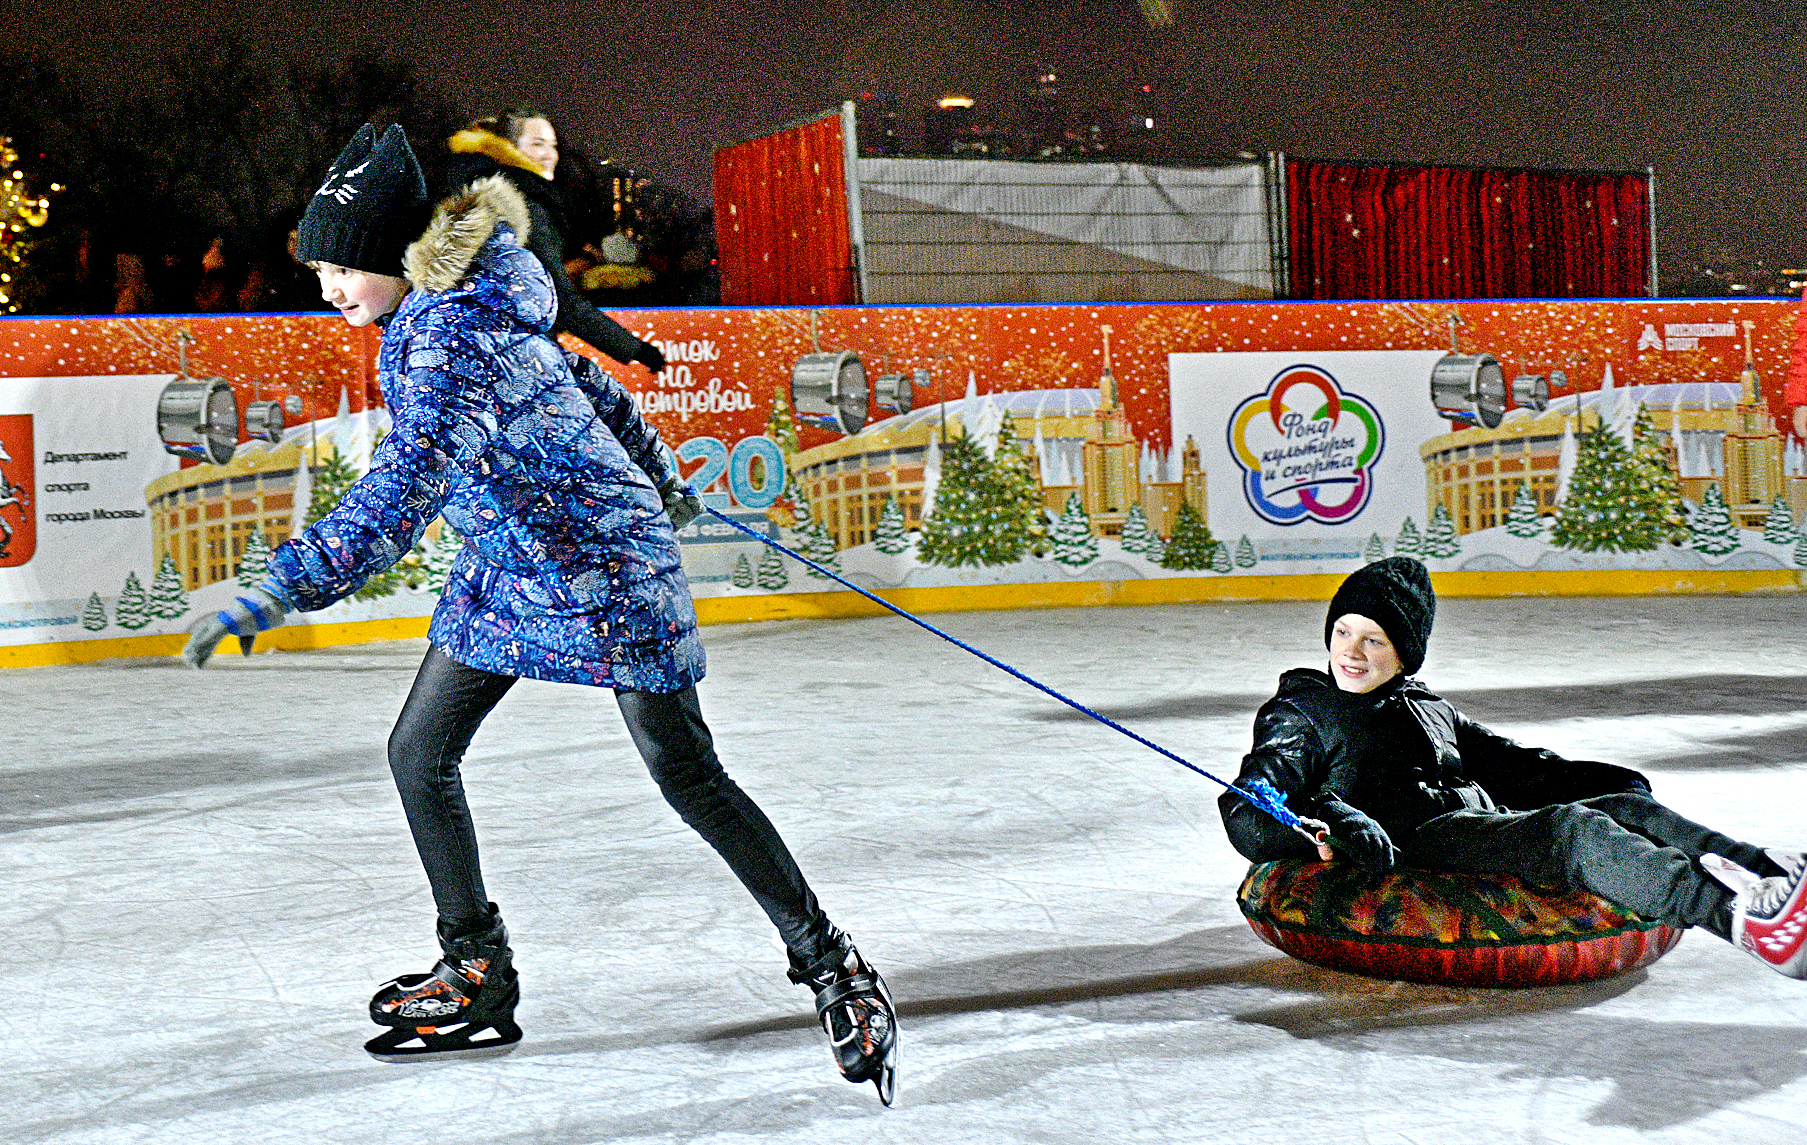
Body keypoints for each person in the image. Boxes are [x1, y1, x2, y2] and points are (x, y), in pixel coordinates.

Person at [181, 124, 898, 1104]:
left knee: (685, 771)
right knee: (417, 750)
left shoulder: (449, 337)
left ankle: (832, 963)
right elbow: (587, 380)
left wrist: (282, 584)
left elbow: (399, 489)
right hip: (509, 565)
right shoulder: (461, 301)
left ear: (394, 254)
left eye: (342, 266)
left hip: (603, 565)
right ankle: (477, 966)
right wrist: (652, 463)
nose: (329, 288)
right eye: (320, 269)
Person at [1221, 556, 1807, 979]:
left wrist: (1597, 780)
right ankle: (1736, 917)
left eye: (1373, 640)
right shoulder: (1305, 711)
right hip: (1418, 839)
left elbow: (1509, 763)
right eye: (1343, 632)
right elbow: (1251, 800)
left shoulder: (1425, 705)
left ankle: (1766, 874)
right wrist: (1323, 824)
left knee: (1622, 809)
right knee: (1572, 833)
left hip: (1480, 819)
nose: (1350, 652)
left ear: (1404, 652)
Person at [444, 107, 666, 376]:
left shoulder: (478, 195)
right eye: (537, 144)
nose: (549, 155)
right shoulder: (523, 204)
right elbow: (554, 297)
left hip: (475, 347)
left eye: (553, 145)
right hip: (515, 354)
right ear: (508, 148)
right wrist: (634, 349)